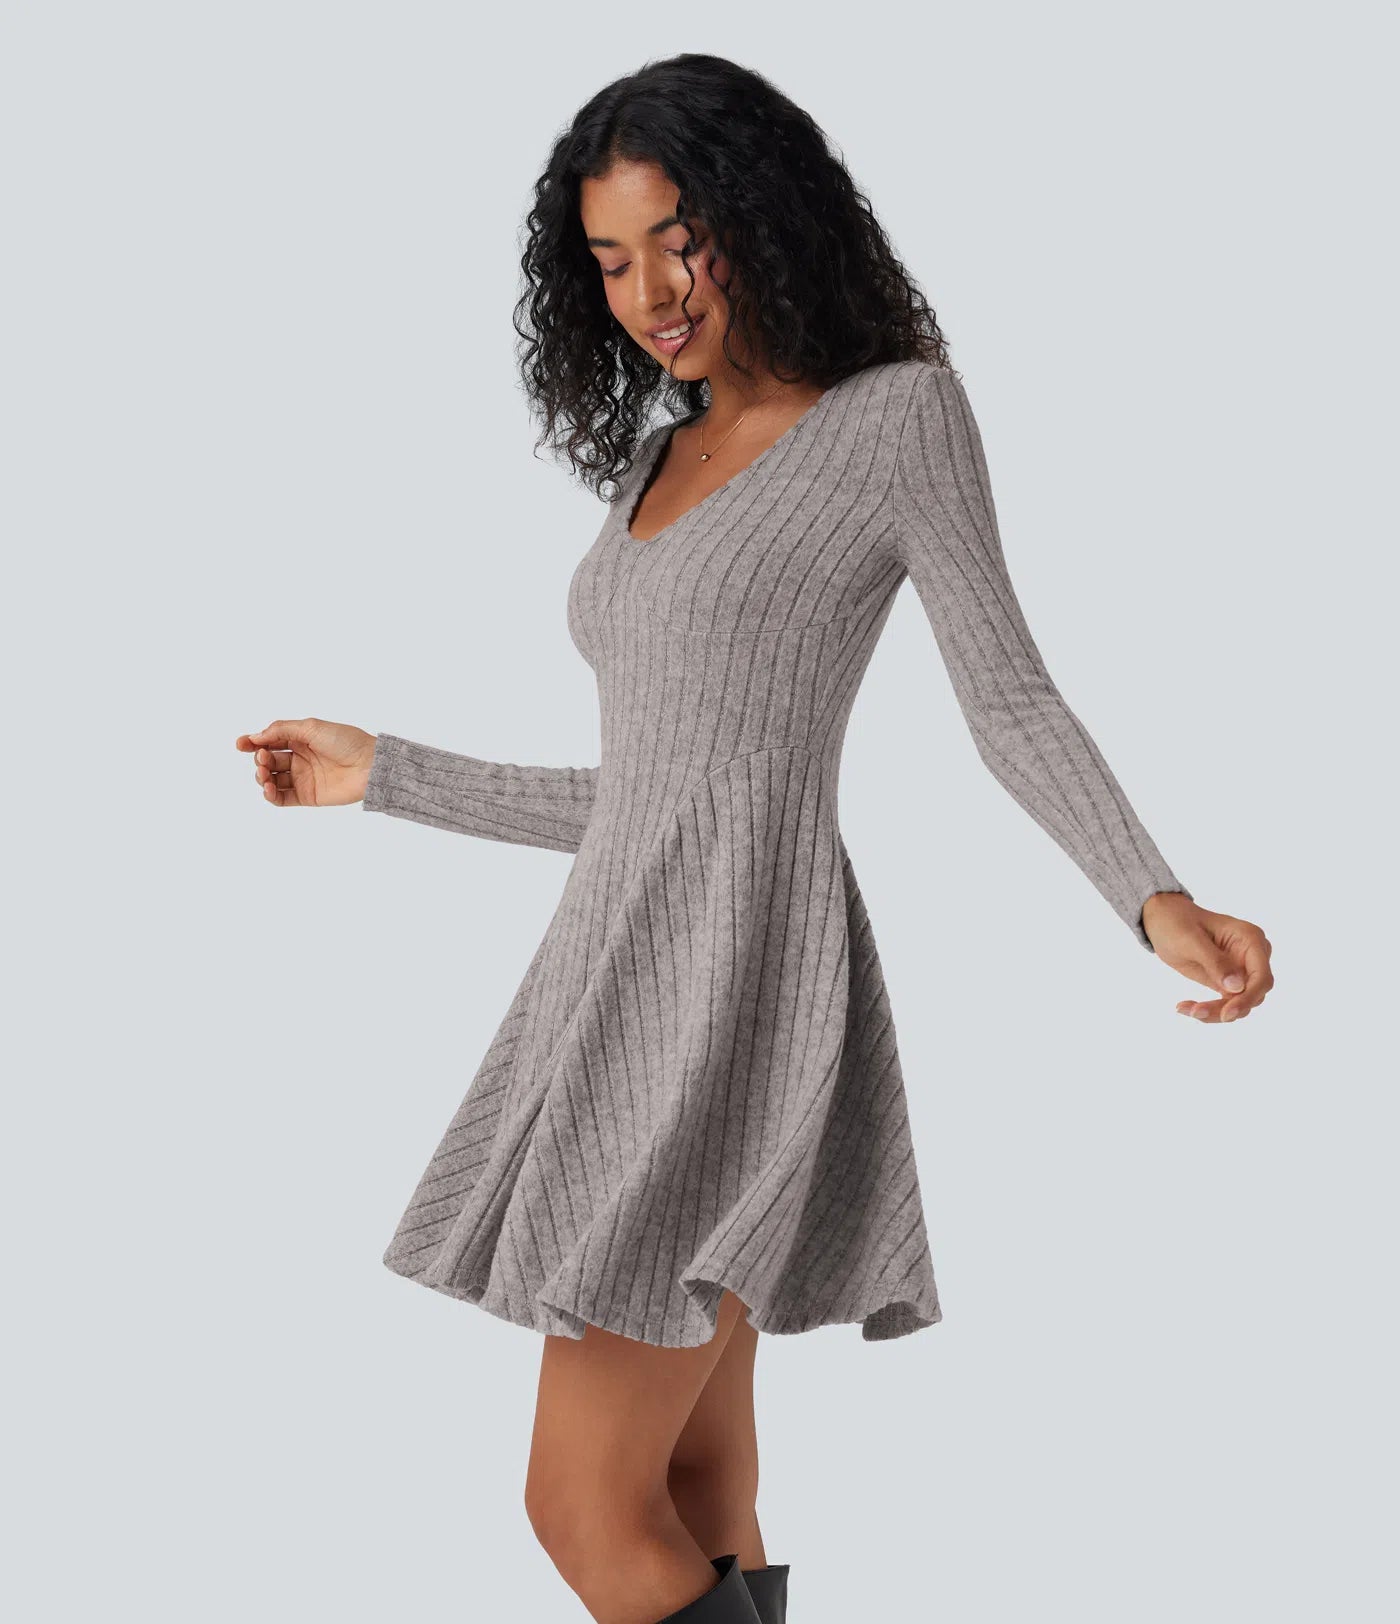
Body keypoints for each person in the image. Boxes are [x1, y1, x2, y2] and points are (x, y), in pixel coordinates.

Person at [234, 52, 1272, 1624]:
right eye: (609, 261)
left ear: (767, 216)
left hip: (734, 991)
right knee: (697, 1489)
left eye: (681, 239)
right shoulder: (664, 447)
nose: (649, 292)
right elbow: (663, 795)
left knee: (581, 1509)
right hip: (614, 982)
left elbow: (1007, 697)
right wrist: (388, 774)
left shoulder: (895, 415)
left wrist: (1151, 894)